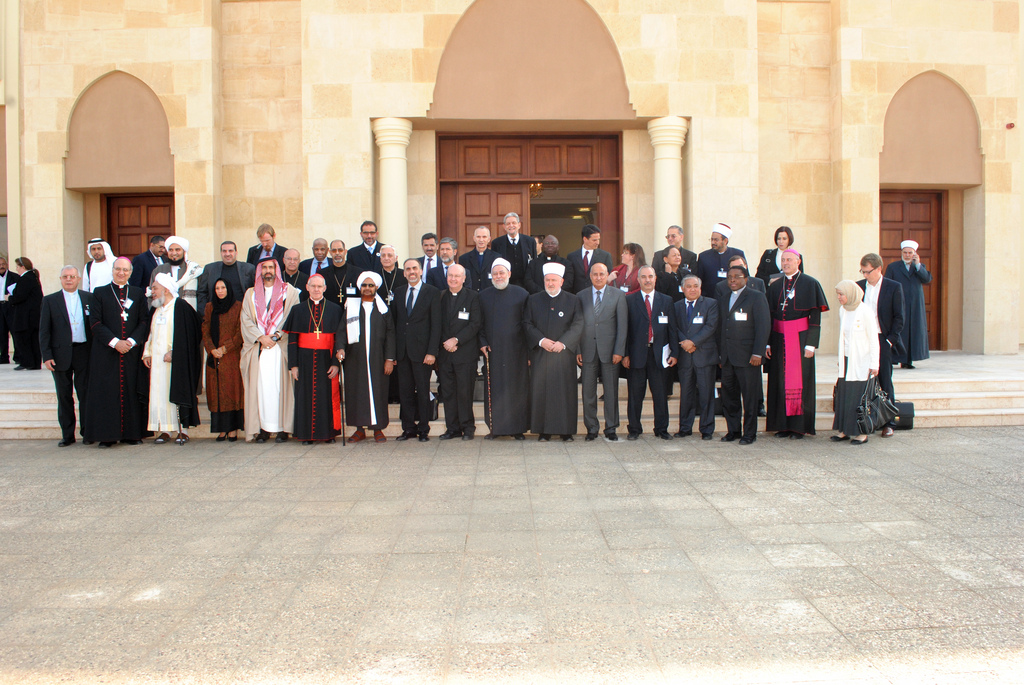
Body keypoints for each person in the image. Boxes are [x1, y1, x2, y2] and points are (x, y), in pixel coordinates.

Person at [84, 257, 149, 447]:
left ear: (130, 272)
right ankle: (107, 436)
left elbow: (144, 321)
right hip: (106, 352)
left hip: (131, 351)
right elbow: (95, 322)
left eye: (126, 270)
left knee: (130, 390)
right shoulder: (100, 293)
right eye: (118, 269)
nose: (122, 273)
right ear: (112, 270)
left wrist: (129, 341)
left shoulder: (137, 293)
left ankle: (132, 434)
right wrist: (115, 342)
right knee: (107, 393)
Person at [765, 249, 829, 439]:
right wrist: (767, 343)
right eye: (783, 260)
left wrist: (811, 344)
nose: (785, 263)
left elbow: (815, 317)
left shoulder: (810, 283)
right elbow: (769, 316)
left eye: (789, 260)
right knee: (779, 382)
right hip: (778, 340)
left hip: (800, 339)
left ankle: (798, 427)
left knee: (800, 382)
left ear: (798, 261)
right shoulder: (775, 286)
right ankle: (782, 425)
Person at [240, 257, 301, 443]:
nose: (268, 271)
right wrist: (261, 337)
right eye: (264, 267)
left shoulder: (288, 291)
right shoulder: (250, 294)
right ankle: (263, 429)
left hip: (279, 347)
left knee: (280, 388)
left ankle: (282, 429)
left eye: (271, 267)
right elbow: (245, 319)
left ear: (276, 270)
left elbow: (292, 315)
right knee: (261, 389)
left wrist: (275, 336)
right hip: (259, 347)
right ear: (260, 271)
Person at [524, 262, 584, 441]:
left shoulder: (573, 300)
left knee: (565, 393)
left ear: (562, 281)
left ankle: (566, 431)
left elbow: (578, 324)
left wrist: (563, 343)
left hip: (563, 355)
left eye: (554, 280)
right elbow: (527, 323)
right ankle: (544, 431)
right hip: (541, 354)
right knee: (541, 392)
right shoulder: (533, 299)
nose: (550, 283)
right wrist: (541, 341)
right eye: (547, 280)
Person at [143, 274, 203, 445]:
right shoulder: (156, 309)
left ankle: (181, 430)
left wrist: (176, 352)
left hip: (177, 363)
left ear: (166, 289)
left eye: (155, 288)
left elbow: (191, 335)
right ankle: (164, 430)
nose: (152, 292)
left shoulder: (181, 307)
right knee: (159, 394)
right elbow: (150, 334)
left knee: (177, 392)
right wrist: (147, 352)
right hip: (157, 363)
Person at [285, 274, 345, 444]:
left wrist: (335, 364)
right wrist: (294, 365)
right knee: (305, 397)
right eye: (313, 286)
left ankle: (328, 434)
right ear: (307, 287)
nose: (316, 289)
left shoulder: (335, 309)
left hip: (327, 359)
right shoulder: (298, 310)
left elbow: (338, 339)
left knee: (327, 397)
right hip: (304, 360)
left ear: (325, 288)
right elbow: (293, 340)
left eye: (320, 286)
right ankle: (306, 435)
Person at [339, 271, 396, 443]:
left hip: (378, 358)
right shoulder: (351, 307)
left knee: (378, 392)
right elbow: (342, 330)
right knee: (356, 393)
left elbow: (391, 334)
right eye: (364, 285)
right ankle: (359, 429)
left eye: (371, 285)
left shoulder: (384, 309)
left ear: (376, 287)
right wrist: (340, 348)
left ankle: (378, 429)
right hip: (355, 359)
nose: (367, 288)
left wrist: (389, 359)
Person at [40, 266, 93, 447]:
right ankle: (67, 435)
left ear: (78, 279)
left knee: (85, 394)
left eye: (72, 276)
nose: (69, 279)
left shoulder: (89, 298)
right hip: (59, 354)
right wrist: (46, 355)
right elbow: (44, 330)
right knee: (64, 395)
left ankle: (88, 432)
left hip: (83, 352)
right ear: (60, 279)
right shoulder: (50, 300)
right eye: (65, 277)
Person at [717, 265, 770, 445]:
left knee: (749, 397)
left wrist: (758, 353)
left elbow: (763, 327)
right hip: (727, 358)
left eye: (737, 277)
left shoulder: (756, 297)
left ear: (746, 279)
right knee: (729, 397)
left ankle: (749, 433)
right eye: (729, 277)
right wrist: (720, 355)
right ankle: (733, 430)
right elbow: (721, 329)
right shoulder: (723, 299)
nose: (732, 280)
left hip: (748, 357)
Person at [622, 266, 678, 440]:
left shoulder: (666, 300)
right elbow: (625, 330)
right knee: (635, 395)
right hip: (636, 354)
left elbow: (672, 329)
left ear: (655, 279)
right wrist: (625, 354)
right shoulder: (629, 300)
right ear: (638, 280)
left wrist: (674, 353)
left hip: (659, 355)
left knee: (660, 394)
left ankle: (661, 429)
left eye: (650, 276)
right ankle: (634, 429)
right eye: (644, 277)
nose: (647, 280)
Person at [479, 259, 530, 440]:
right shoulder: (484, 295)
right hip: (493, 351)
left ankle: (517, 428)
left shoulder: (522, 294)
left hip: (517, 351)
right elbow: (479, 323)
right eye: (495, 273)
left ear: (509, 273)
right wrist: (483, 342)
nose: (498, 276)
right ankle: (495, 428)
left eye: (502, 273)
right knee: (495, 390)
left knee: (516, 390)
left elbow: (527, 323)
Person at [577, 262, 627, 441]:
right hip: (588, 350)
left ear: (608, 275)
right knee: (588, 392)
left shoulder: (619, 296)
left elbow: (622, 326)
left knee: (611, 391)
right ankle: (591, 428)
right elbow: (577, 325)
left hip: (610, 351)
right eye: (595, 274)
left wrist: (619, 350)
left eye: (602, 274)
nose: (598, 277)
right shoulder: (581, 296)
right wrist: (578, 349)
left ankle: (611, 427)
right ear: (590, 276)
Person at [392, 258, 441, 441]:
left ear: (421, 271)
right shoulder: (398, 292)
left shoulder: (432, 292)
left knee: (422, 391)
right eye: (407, 269)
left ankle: (423, 429)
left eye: (414, 268)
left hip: (423, 353)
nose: (411, 272)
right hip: (403, 352)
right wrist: (394, 353)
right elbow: (396, 323)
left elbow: (436, 325)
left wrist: (432, 352)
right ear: (404, 273)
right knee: (404, 392)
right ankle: (408, 428)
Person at [858, 253, 905, 438]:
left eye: (868, 271)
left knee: (884, 379)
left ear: (878, 269)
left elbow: (899, 317)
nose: (865, 275)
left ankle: (888, 422)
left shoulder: (893, 287)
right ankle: (865, 419)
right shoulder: (859, 287)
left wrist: (889, 340)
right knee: (862, 380)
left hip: (882, 339)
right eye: (862, 271)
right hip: (862, 340)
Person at [832, 281, 880, 446]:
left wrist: (874, 363)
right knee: (844, 395)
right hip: (846, 360)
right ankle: (844, 430)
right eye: (838, 294)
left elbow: (874, 339)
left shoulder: (865, 311)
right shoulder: (842, 310)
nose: (839, 298)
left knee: (858, 397)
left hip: (861, 361)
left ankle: (861, 433)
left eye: (841, 294)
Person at [437, 264, 481, 440]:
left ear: (464, 278)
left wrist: (456, 340)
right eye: (450, 276)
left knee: (464, 392)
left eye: (457, 276)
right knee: (448, 392)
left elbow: (475, 324)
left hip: (465, 353)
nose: (453, 279)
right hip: (445, 353)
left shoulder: (473, 297)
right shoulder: (440, 297)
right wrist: (445, 343)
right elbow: (436, 323)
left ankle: (468, 428)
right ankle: (452, 428)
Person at [674, 274, 719, 440]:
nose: (692, 289)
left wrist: (693, 342)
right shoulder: (677, 306)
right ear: (683, 289)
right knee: (686, 394)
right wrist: (684, 342)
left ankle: (707, 429)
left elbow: (711, 326)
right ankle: (685, 427)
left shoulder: (710, 304)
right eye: (689, 286)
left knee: (706, 393)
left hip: (704, 356)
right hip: (685, 356)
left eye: (695, 286)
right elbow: (674, 327)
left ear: (700, 288)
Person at [202, 279, 244, 441]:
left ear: (229, 289)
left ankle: (232, 429)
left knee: (232, 392)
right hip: (214, 358)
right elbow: (205, 329)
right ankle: (221, 429)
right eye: (217, 288)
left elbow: (240, 332)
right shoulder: (210, 307)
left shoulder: (237, 307)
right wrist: (212, 349)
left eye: (223, 287)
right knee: (217, 393)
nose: (220, 291)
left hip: (231, 357)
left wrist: (225, 348)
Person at [885, 239, 931, 369]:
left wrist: (918, 265)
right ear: (901, 253)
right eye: (905, 252)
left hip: (915, 307)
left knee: (912, 332)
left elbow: (927, 279)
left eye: (910, 253)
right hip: (899, 304)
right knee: (899, 331)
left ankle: (908, 360)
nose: (907, 255)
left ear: (914, 254)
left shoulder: (919, 268)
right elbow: (887, 284)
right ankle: (895, 358)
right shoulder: (893, 267)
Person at [197, 241, 256, 316]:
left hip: (242, 315)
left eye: (230, 251)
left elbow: (255, 291)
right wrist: (204, 312)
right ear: (221, 253)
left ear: (236, 252)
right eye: (224, 251)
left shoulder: (249, 269)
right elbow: (202, 292)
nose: (227, 254)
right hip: (217, 315)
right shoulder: (210, 269)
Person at [151, 236, 204, 311]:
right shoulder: (159, 270)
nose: (174, 253)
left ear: (184, 252)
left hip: (187, 313)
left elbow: (202, 294)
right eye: (171, 250)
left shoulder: (193, 270)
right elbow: (151, 294)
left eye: (177, 250)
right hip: (163, 313)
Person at [9, 257, 43, 370]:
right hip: (32, 316)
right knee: (32, 339)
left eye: (18, 267)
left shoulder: (26, 278)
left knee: (24, 339)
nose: (16, 269)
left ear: (23, 267)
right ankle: (34, 363)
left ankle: (27, 362)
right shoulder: (32, 277)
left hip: (26, 316)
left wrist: (10, 298)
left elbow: (19, 296)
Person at [696, 223, 745, 298]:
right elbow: (699, 279)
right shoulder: (703, 256)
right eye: (711, 239)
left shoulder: (737, 254)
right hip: (710, 298)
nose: (713, 242)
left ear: (725, 241)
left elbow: (745, 276)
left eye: (716, 240)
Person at [489, 212, 536, 288]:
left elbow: (534, 263)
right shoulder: (497, 243)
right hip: (505, 285)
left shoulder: (530, 241)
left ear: (519, 225)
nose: (511, 225)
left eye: (514, 223)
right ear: (504, 226)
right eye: (508, 224)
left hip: (526, 286)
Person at [567, 224, 613, 294]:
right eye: (594, 240)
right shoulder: (572, 257)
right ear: (585, 239)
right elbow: (570, 280)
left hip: (597, 298)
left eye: (598, 239)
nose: (597, 243)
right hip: (577, 297)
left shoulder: (605, 256)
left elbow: (607, 277)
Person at [458, 226, 498, 291]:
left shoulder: (496, 258)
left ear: (489, 239)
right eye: (478, 237)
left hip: (490, 296)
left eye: (484, 237)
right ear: (474, 238)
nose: (481, 240)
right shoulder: (464, 259)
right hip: (471, 297)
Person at [322, 239, 357, 305]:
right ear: (330, 252)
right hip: (331, 311)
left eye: (340, 250)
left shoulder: (357, 272)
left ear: (345, 251)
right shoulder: (322, 274)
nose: (337, 253)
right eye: (334, 250)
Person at [0, 257, 18, 364]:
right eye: (0, 264)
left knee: (14, 331)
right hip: (0, 306)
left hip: (10, 306)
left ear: (6, 265)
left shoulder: (14, 277)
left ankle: (18, 356)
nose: (1, 266)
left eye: (3, 264)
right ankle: (4, 357)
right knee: (1, 332)